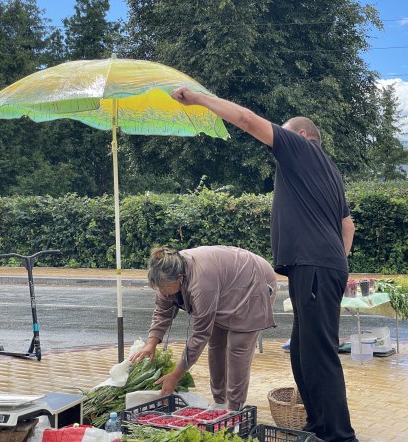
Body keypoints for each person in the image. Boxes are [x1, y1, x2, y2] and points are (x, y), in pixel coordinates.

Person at [171, 88, 357, 442]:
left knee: (319, 356)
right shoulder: (330, 171)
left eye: (284, 134)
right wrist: (338, 262)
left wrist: (199, 99)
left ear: (300, 135)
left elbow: (246, 119)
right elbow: (347, 226)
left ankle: (340, 437)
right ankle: (317, 427)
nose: (278, 148)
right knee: (302, 354)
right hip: (318, 268)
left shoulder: (300, 150)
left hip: (315, 266)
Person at [129, 245, 277, 411]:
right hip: (225, 283)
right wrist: (151, 344)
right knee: (216, 343)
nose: (163, 292)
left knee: (238, 346)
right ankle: (219, 402)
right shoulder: (164, 273)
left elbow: (200, 334)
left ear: (180, 278)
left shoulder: (201, 283)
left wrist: (176, 375)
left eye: (165, 288)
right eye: (159, 288)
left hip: (254, 279)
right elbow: (162, 311)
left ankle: (235, 409)